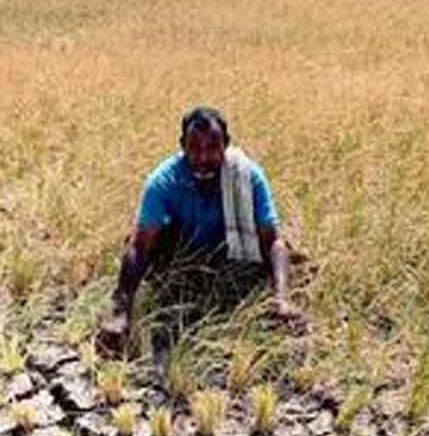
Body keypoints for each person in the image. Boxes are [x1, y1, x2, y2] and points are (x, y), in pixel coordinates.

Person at [97, 106, 303, 357]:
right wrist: (121, 312)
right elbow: (139, 247)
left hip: (230, 259)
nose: (203, 158)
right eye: (194, 148)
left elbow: (272, 241)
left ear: (226, 145)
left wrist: (281, 299)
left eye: (212, 148)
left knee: (283, 248)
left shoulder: (247, 176)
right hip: (181, 262)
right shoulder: (163, 181)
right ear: (182, 146)